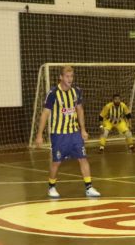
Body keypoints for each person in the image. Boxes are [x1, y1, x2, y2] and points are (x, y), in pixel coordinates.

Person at [35, 65, 100, 198]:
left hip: (74, 133)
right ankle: (51, 187)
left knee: (83, 158)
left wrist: (83, 129)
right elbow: (45, 114)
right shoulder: (53, 93)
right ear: (61, 77)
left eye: (71, 76)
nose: (70, 79)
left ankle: (89, 187)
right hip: (59, 134)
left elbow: (80, 110)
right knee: (57, 162)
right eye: (67, 76)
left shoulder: (76, 91)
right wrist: (39, 135)